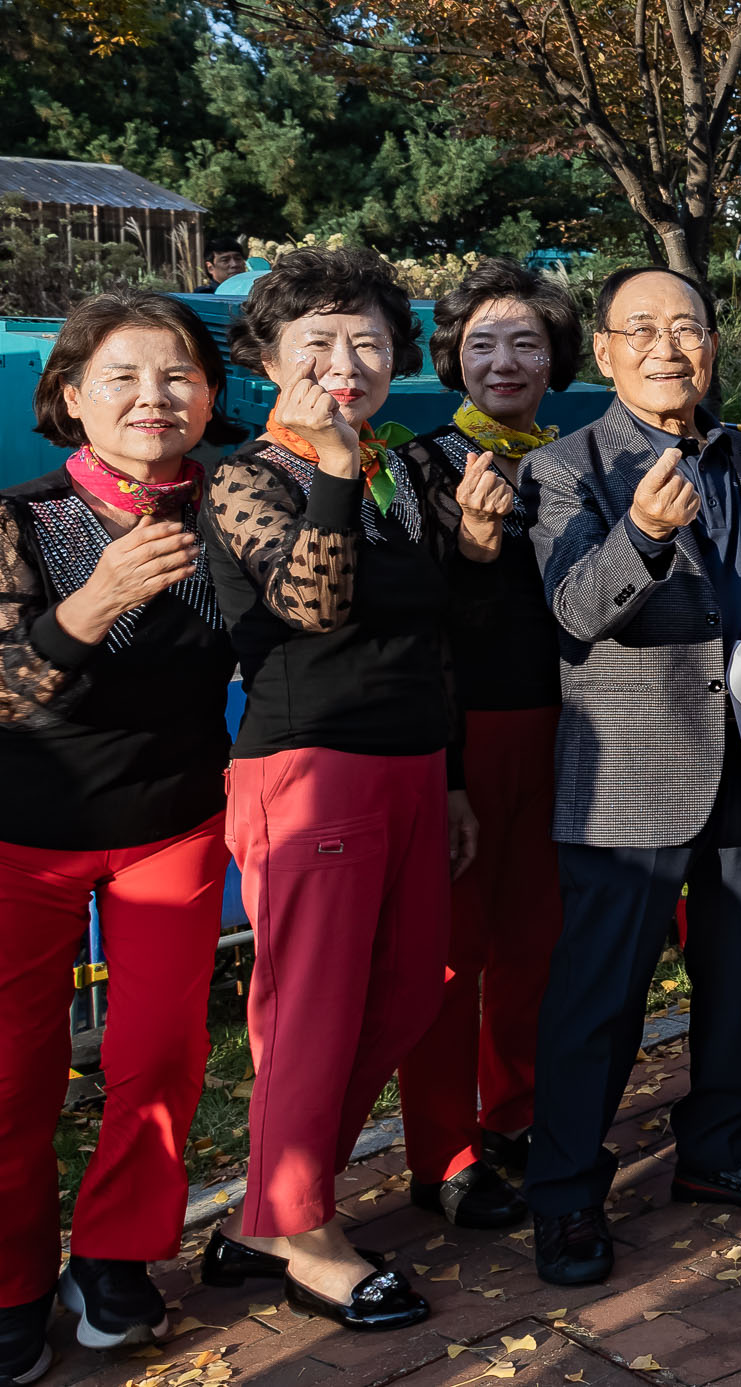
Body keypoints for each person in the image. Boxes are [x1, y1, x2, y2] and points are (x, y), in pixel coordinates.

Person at [521, 266, 741, 1287]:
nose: (666, 346)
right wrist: (643, 534)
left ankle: (720, 1148)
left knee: (738, 976)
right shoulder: (568, 469)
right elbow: (573, 608)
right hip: (628, 774)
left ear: (712, 345)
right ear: (604, 352)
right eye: (640, 329)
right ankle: (564, 1194)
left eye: (686, 326)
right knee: (598, 999)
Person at [200, 248, 481, 1332]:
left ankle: (270, 1206)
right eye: (313, 343)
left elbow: (432, 636)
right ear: (268, 357)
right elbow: (312, 602)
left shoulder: (397, 470)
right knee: (309, 1008)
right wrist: (325, 463)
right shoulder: (252, 471)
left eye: (365, 341)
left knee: (412, 984)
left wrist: (452, 775)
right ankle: (301, 1225)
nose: (341, 364)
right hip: (309, 765)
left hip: (412, 760)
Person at [1, 296, 240, 1374]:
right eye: (124, 376)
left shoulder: (236, 515)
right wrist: (87, 604)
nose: (155, 397)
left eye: (179, 374)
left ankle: (115, 1258)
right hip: (25, 835)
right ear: (69, 396)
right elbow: (6, 689)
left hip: (173, 825)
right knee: (14, 1074)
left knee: (158, 1058)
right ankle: (11, 1282)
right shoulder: (21, 518)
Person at [391, 260, 582, 1231]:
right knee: (449, 951)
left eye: (525, 341)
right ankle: (443, 1147)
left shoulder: (575, 463)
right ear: (450, 358)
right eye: (481, 343)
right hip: (462, 738)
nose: (504, 361)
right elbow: (429, 630)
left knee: (534, 943)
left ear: (555, 356)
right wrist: (470, 543)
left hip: (565, 732)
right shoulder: (417, 466)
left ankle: (517, 1113)